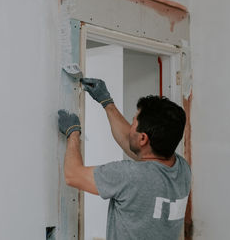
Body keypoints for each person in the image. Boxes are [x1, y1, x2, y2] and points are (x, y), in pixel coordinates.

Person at [58, 78, 191, 240]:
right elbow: (134, 145)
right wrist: (107, 103)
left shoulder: (131, 175)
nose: (130, 130)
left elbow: (73, 175)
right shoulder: (182, 169)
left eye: (133, 124)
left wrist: (73, 134)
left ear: (143, 139)